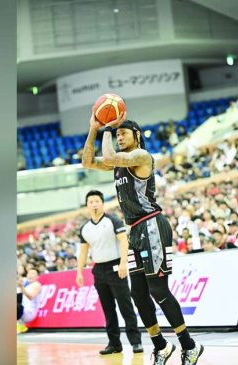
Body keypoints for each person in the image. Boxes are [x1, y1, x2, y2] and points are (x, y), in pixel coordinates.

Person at [82, 111, 204, 365]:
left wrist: (108, 127)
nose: (119, 136)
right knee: (138, 294)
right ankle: (161, 345)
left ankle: (189, 345)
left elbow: (113, 156)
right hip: (135, 230)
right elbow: (87, 162)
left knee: (158, 290)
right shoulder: (119, 162)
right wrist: (94, 129)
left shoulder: (141, 156)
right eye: (117, 134)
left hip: (152, 226)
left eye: (123, 133)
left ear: (137, 135)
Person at [76, 190, 143, 355]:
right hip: (98, 270)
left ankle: (136, 342)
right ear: (87, 206)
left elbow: (123, 242)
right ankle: (114, 344)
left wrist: (123, 263)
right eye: (91, 202)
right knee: (108, 309)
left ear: (102, 203)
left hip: (116, 267)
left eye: (97, 201)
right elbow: (83, 252)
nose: (94, 204)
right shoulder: (85, 228)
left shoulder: (112, 220)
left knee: (125, 306)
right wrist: (79, 272)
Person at [17, 269, 42, 334]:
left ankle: (19, 325)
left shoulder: (37, 284)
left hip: (29, 312)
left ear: (37, 277)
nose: (30, 275)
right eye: (29, 273)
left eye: (33, 273)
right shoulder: (26, 285)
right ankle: (20, 325)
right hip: (22, 311)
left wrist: (21, 287)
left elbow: (30, 297)